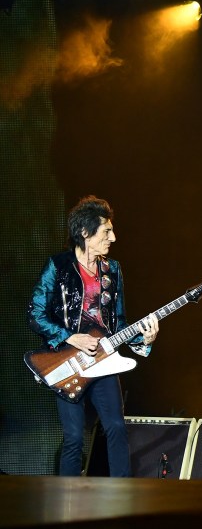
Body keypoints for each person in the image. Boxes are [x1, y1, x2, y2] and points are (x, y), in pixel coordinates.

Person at [26, 196, 159, 477]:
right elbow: (35, 314)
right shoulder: (58, 266)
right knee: (74, 437)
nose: (113, 237)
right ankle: (68, 505)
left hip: (105, 358)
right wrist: (70, 337)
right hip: (67, 361)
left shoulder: (113, 270)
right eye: (106, 231)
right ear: (85, 233)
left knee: (116, 428)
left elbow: (119, 322)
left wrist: (143, 341)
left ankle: (120, 497)